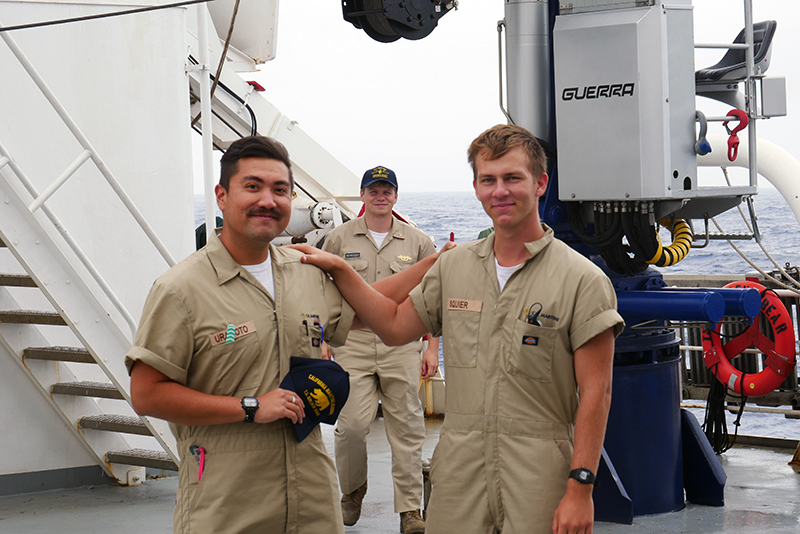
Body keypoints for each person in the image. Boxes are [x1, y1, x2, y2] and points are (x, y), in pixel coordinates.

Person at [292, 124, 625, 534]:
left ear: (541, 184)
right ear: (476, 187)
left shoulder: (582, 280)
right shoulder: (455, 266)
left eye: (512, 178)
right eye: (489, 179)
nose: (499, 191)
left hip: (539, 466)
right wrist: (342, 271)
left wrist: (581, 487)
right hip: (460, 467)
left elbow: (598, 391)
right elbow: (395, 326)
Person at [125, 136, 446, 534]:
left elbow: (370, 306)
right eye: (253, 186)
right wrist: (250, 406)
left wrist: (435, 263)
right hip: (227, 496)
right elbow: (146, 393)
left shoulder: (303, 271)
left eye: (280, 190)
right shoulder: (181, 288)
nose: (268, 200)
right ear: (222, 196)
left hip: (310, 491)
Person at [321, 165, 439, 533]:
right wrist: (323, 342)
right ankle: (352, 491)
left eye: (387, 189)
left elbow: (433, 296)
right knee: (351, 426)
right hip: (352, 345)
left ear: (396, 196)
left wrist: (432, 347)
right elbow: (322, 294)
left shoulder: (418, 242)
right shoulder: (338, 239)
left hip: (402, 344)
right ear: (362, 195)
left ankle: (409, 511)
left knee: (406, 428)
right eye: (373, 189)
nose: (380, 195)